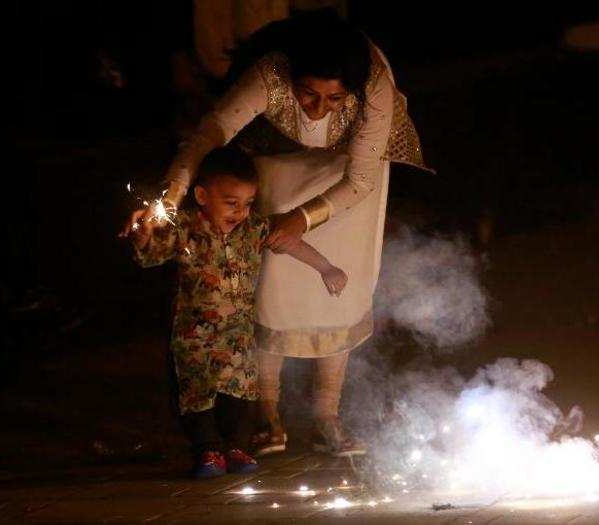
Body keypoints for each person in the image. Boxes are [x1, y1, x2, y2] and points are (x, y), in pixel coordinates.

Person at [123, 9, 430, 457]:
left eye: (334, 98)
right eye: (308, 95)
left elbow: (359, 182)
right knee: (270, 283)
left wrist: (303, 220)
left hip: (350, 178)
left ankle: (327, 415)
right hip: (278, 158)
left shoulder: (373, 86)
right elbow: (210, 133)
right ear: (292, 77)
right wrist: (165, 202)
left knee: (340, 286)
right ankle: (267, 414)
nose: (319, 110)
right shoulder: (269, 75)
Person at [127, 147, 348, 477]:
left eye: (247, 203)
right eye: (231, 203)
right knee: (197, 395)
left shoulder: (253, 230)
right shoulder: (184, 228)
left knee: (241, 393)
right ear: (202, 195)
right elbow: (151, 253)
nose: (240, 212)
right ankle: (207, 451)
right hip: (194, 337)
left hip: (238, 338)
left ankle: (236, 447)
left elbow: (291, 241)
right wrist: (142, 233)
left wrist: (326, 267)